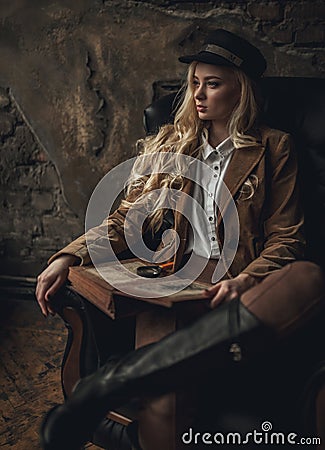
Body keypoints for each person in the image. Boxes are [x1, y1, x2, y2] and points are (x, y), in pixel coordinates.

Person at [36, 29, 324, 450]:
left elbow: (287, 239)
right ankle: (134, 377)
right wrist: (68, 256)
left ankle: (121, 379)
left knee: (307, 274)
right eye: (194, 83)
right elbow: (124, 222)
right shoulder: (173, 145)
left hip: (235, 291)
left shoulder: (273, 148)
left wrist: (247, 280)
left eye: (213, 83)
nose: (199, 94)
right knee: (164, 399)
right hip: (173, 287)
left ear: (240, 90)